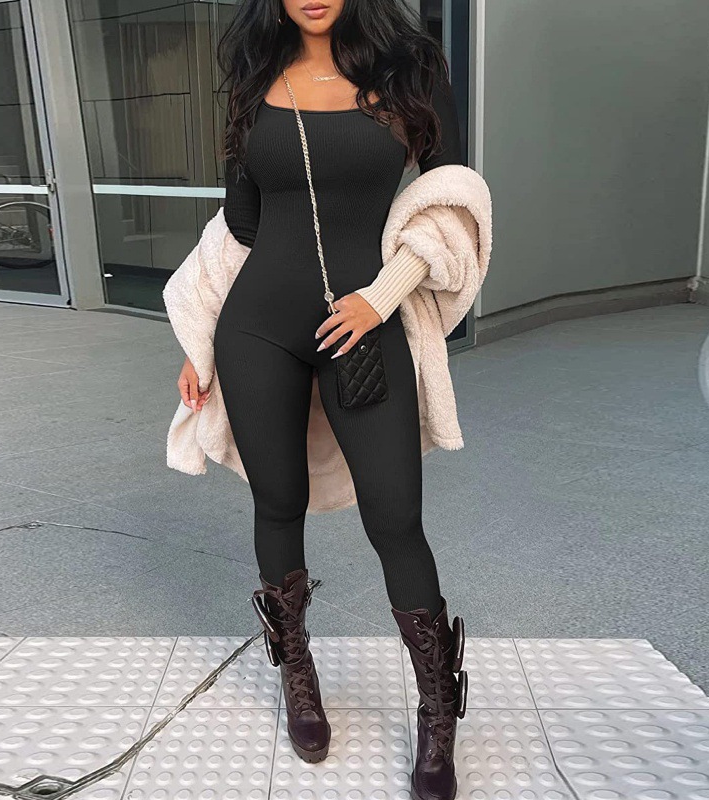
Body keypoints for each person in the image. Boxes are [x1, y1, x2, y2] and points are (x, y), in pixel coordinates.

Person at [174, 2, 472, 798]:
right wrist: (197, 341)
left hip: (364, 328)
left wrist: (383, 294)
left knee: (396, 519)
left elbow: (452, 201)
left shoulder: (410, 69)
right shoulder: (254, 77)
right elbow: (239, 225)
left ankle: (438, 708)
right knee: (278, 503)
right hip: (258, 328)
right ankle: (296, 670)